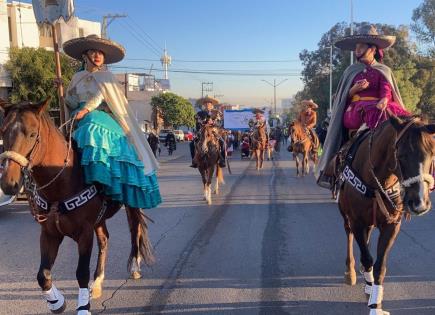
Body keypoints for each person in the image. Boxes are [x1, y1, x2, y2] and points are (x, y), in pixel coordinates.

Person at [63, 34, 161, 209]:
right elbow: (71, 101)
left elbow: (101, 97)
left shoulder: (107, 77)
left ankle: (101, 175)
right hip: (78, 115)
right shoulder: (76, 78)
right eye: (93, 52)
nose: (98, 56)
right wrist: (61, 93)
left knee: (92, 126)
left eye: (100, 53)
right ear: (85, 56)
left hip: (101, 115)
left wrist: (86, 110)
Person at [316, 25, 410, 188]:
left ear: (372, 48)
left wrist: (385, 100)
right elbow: (342, 97)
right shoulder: (351, 70)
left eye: (361, 46)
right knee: (370, 109)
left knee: (404, 119)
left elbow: (386, 89)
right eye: (356, 46)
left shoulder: (384, 70)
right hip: (355, 110)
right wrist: (354, 90)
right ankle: (334, 169)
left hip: (379, 107)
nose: (356, 49)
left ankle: (408, 165)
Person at [189, 96, 226, 168]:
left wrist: (213, 123)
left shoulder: (216, 112)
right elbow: (196, 119)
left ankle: (222, 160)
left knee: (222, 142)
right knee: (191, 144)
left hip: (213, 131)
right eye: (205, 104)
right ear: (203, 105)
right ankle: (194, 161)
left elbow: (219, 123)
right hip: (202, 131)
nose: (207, 105)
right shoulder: (199, 113)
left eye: (209, 104)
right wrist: (200, 121)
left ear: (212, 105)